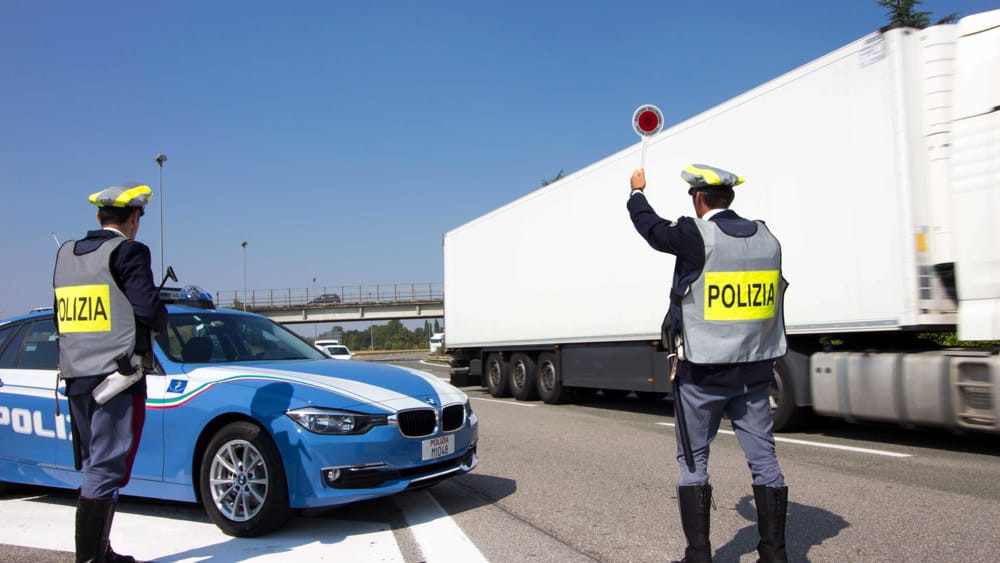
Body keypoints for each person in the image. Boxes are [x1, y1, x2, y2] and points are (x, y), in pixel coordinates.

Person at [627, 164, 789, 563]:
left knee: (693, 461)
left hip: (702, 374)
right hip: (754, 372)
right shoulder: (767, 238)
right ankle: (775, 554)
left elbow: (652, 230)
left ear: (699, 198)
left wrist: (636, 194)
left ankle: (698, 556)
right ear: (729, 198)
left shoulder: (695, 234)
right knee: (764, 460)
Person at [53, 183, 167, 563]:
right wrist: (161, 316)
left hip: (75, 378)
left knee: (95, 465)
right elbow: (148, 310)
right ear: (134, 218)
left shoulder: (65, 255)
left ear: (98, 215)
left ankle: (102, 551)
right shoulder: (129, 251)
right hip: (116, 379)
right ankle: (91, 559)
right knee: (107, 468)